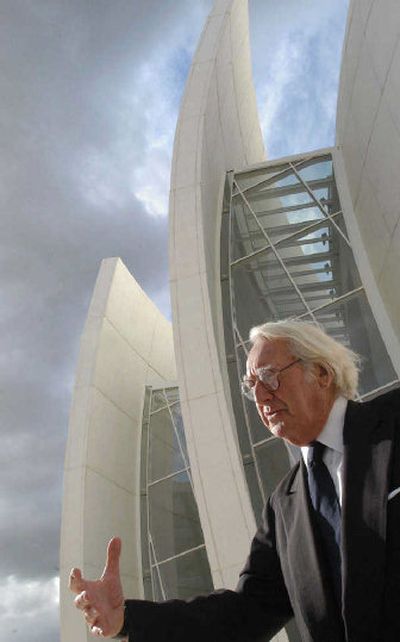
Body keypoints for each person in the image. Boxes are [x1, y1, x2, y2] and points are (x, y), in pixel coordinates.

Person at [69, 319, 400, 641]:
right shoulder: (284, 504)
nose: (259, 396)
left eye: (269, 377)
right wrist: (126, 618)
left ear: (322, 373)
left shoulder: (393, 422)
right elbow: (245, 613)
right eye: (250, 386)